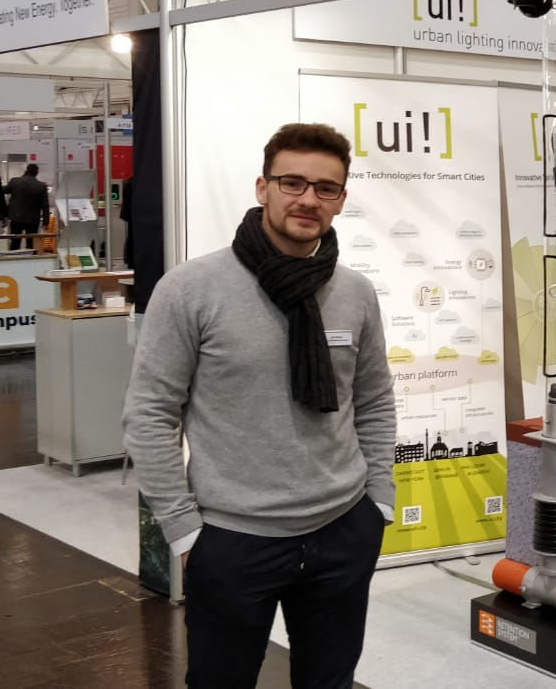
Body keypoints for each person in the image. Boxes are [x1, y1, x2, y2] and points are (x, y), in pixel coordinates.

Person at [123, 123, 396, 688]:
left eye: (325, 188)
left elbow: (373, 399)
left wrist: (379, 502)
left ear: (341, 199)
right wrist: (183, 530)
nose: (308, 199)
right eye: (292, 182)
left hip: (343, 529)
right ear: (262, 187)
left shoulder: (354, 292)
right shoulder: (191, 289)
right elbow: (150, 413)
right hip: (232, 539)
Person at [2, 163, 49, 251]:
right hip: (33, 219)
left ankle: (13, 257)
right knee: (31, 244)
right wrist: (45, 222)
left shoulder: (15, 181)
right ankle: (29, 258)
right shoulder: (41, 186)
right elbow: (45, 205)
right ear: (37, 173)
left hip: (16, 218)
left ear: (26, 170)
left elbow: (4, 190)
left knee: (15, 242)